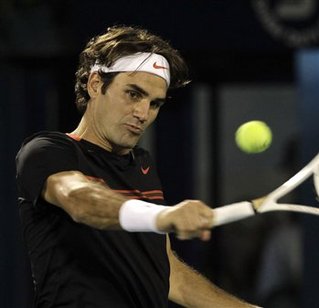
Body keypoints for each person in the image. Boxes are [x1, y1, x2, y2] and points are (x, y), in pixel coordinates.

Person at [16, 25, 258, 307]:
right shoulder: (47, 150)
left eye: (154, 103)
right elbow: (79, 199)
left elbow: (170, 275)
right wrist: (162, 217)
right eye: (133, 94)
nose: (143, 113)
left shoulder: (142, 165)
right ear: (95, 84)